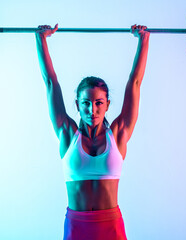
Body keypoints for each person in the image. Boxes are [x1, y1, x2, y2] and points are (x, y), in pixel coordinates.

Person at [35, 23, 149, 240]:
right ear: (77, 105)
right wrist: (40, 39)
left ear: (107, 104)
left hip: (111, 228)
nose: (92, 109)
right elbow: (50, 82)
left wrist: (143, 40)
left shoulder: (118, 134)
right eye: (86, 103)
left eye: (98, 102)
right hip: (77, 227)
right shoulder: (67, 134)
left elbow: (135, 83)